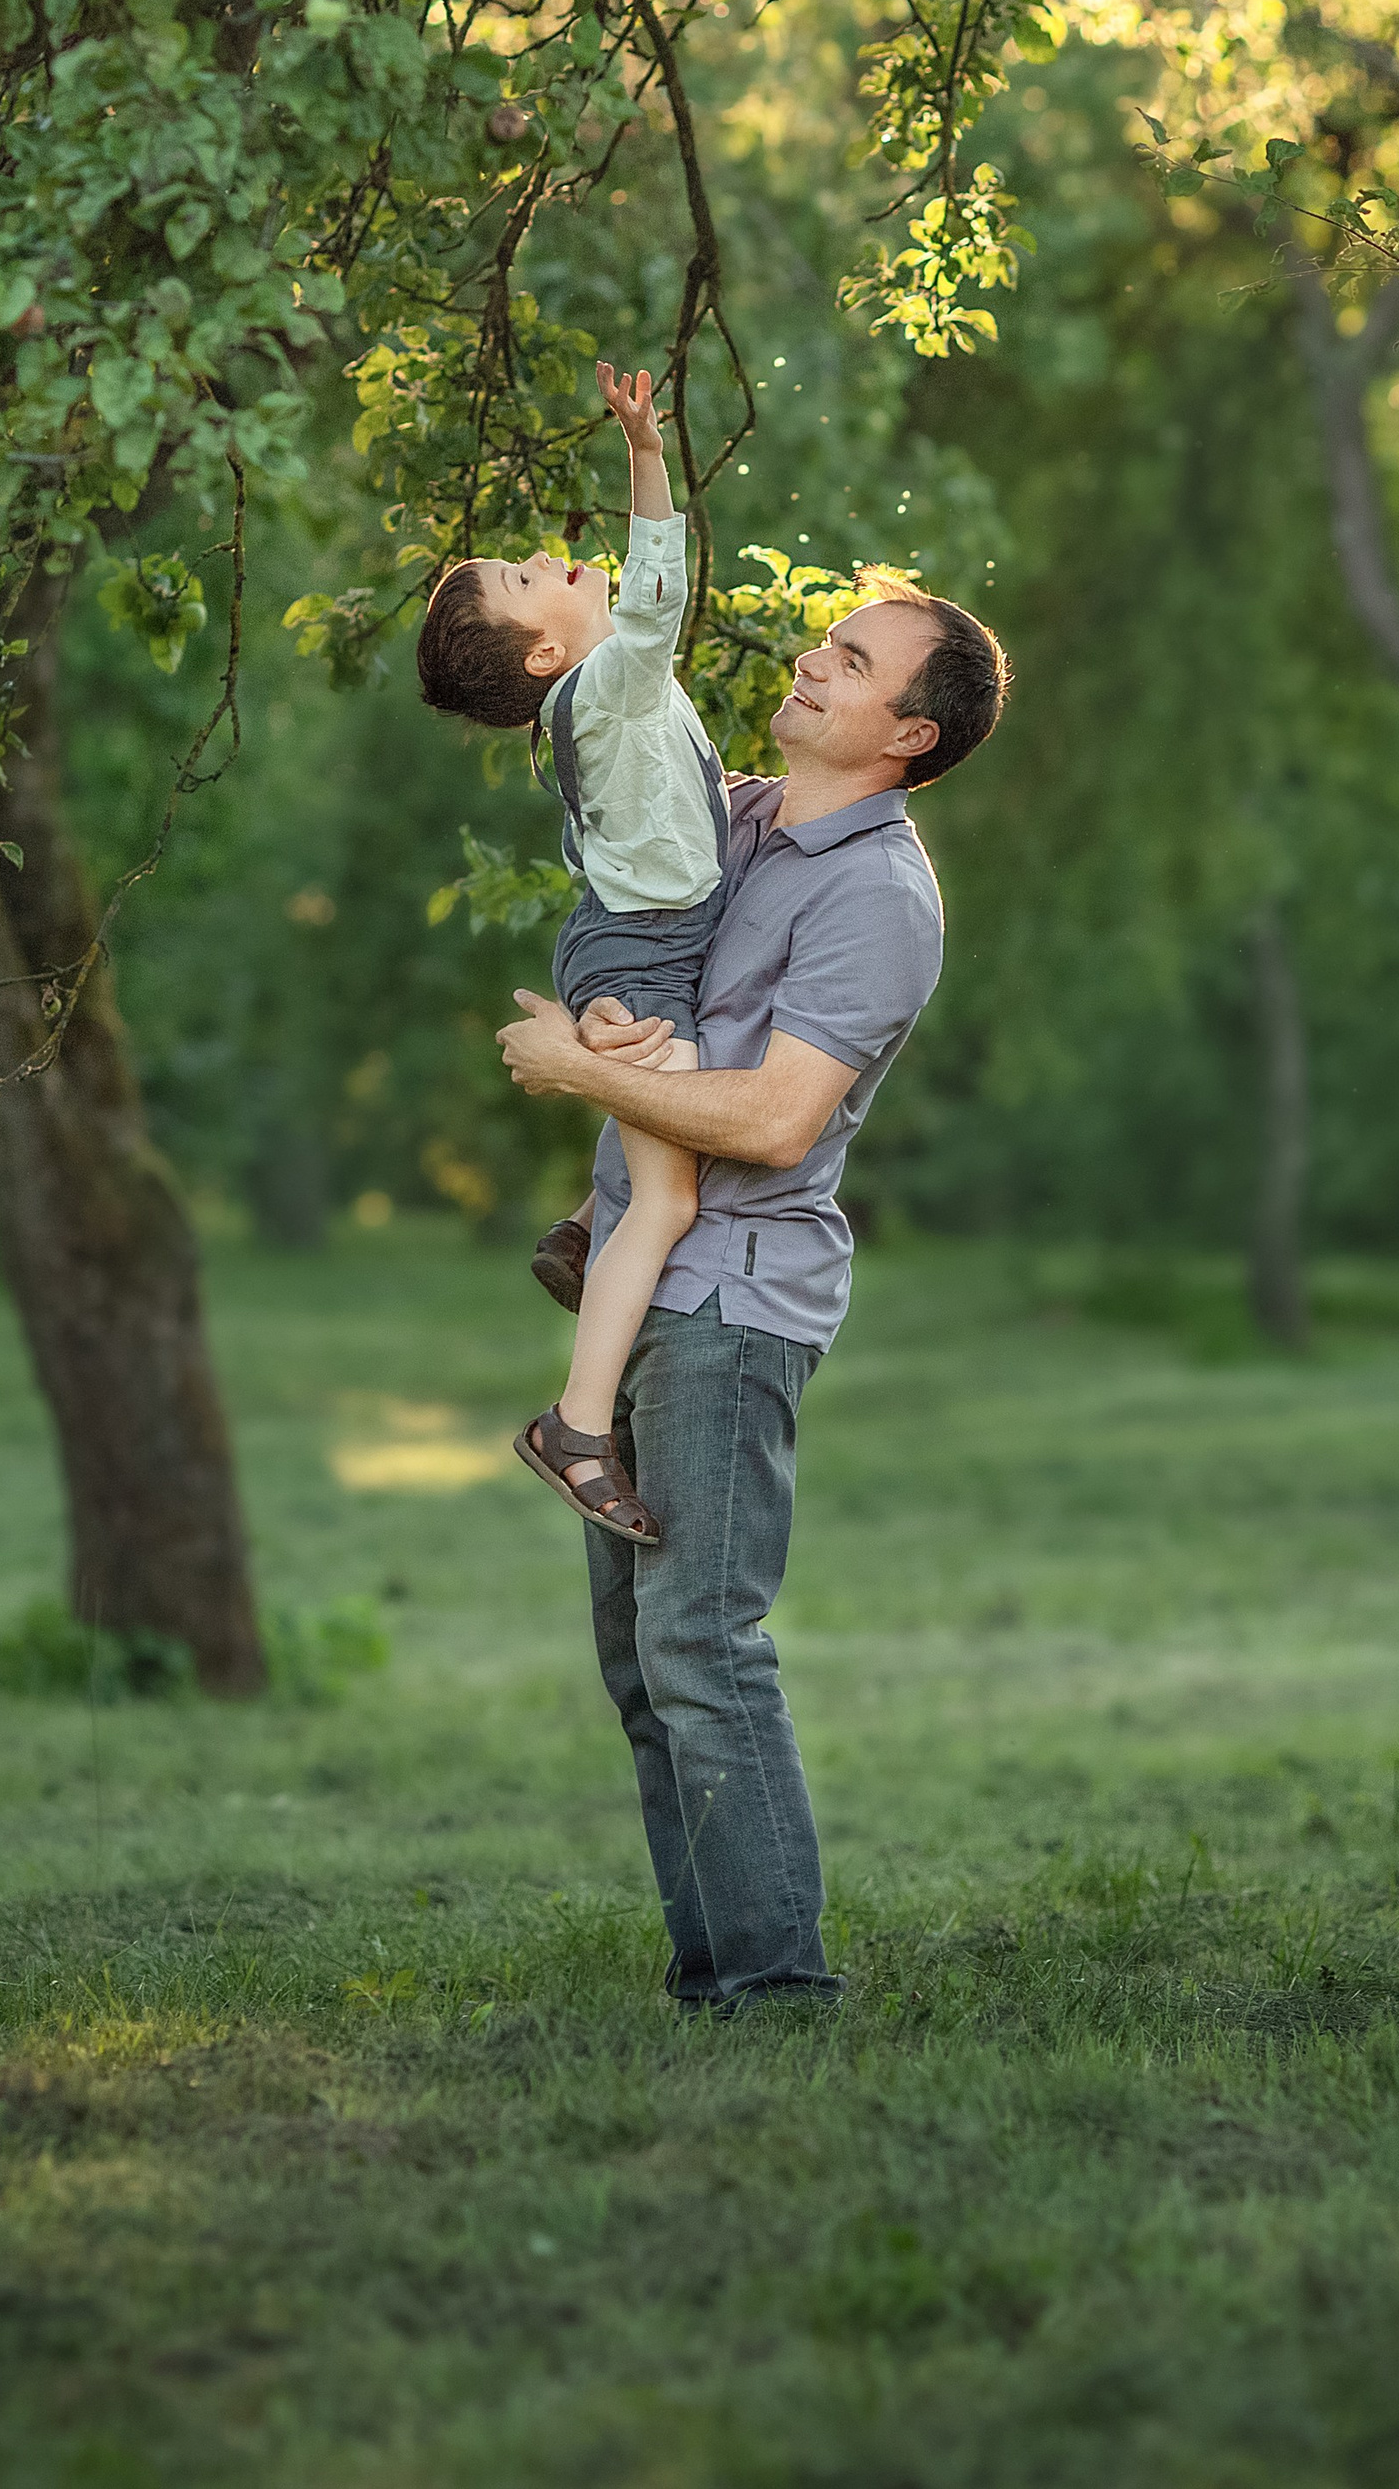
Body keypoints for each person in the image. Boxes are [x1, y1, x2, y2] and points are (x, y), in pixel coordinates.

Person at [494, 582, 1007, 2014]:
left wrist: (574, 1065)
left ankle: (780, 1993)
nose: (813, 663)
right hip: (640, 1273)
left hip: (732, 1301)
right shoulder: (732, 816)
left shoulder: (879, 895)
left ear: (907, 734)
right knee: (645, 1663)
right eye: (825, 641)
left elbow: (779, 1121)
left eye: (852, 662)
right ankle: (711, 1976)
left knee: (703, 1641)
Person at [416, 360, 729, 1547]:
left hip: (642, 945)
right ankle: (576, 1428)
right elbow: (654, 598)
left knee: (662, 1181)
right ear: (545, 654)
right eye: (524, 577)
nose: (549, 557)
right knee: (672, 1196)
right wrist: (644, 453)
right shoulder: (605, 684)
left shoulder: (604, 697)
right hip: (643, 956)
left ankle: (579, 1231)